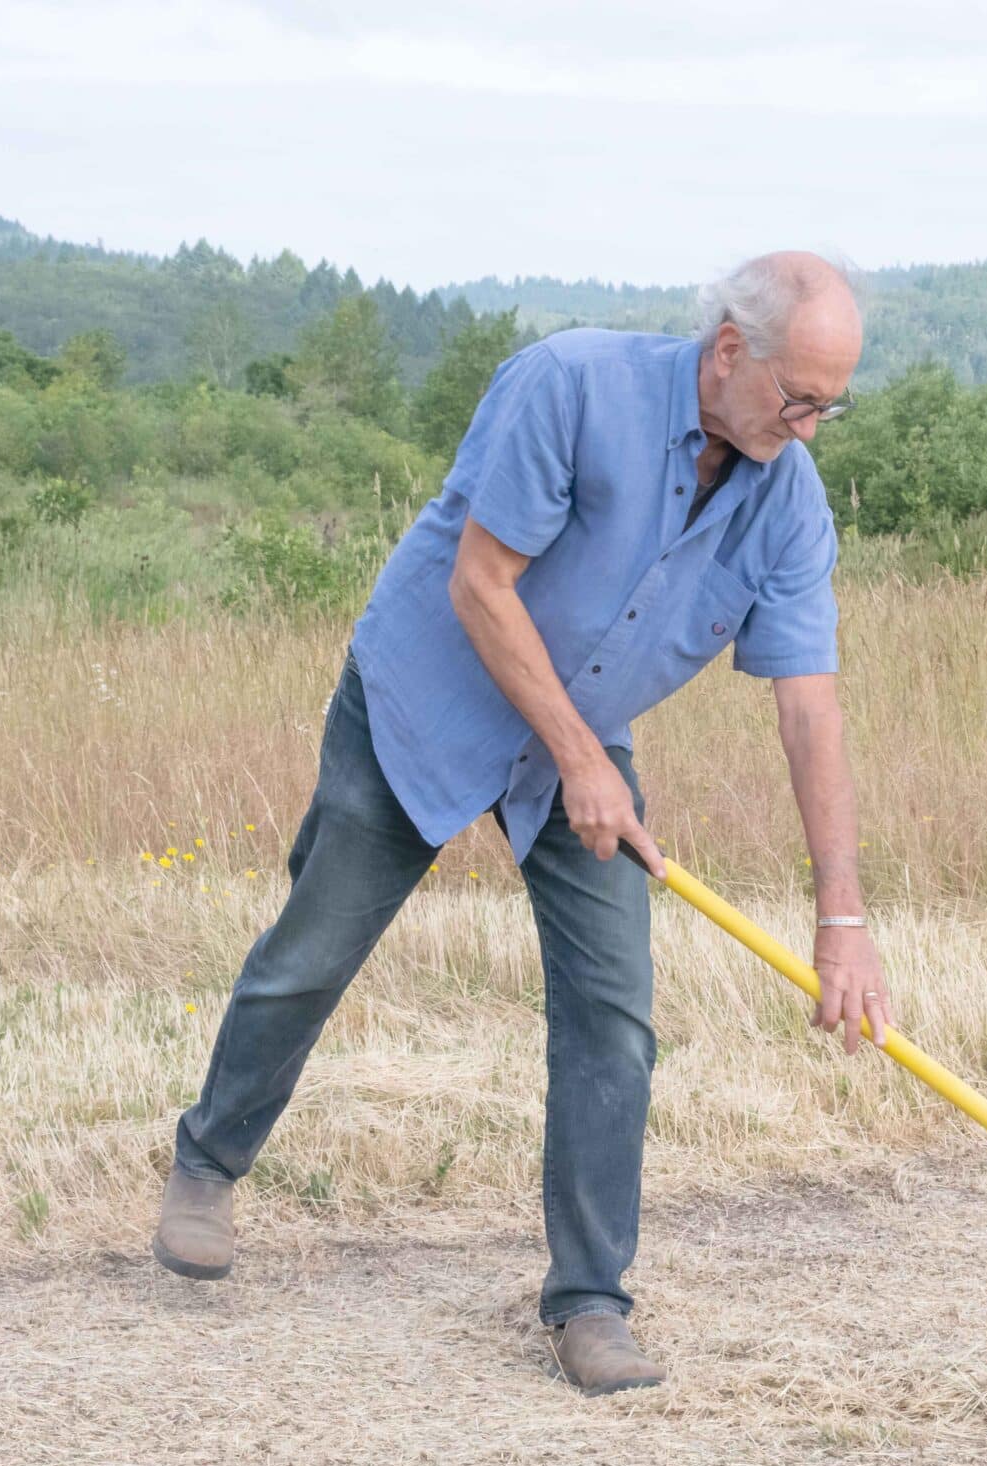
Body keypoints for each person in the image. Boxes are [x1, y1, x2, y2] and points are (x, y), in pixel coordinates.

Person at [152, 251, 893, 1396]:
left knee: (612, 1015)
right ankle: (207, 1161)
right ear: (731, 348)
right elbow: (481, 584)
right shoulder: (570, 386)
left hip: (578, 746)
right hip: (430, 701)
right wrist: (579, 755)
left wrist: (841, 915)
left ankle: (590, 1302)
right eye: (798, 398)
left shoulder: (788, 499)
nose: (807, 429)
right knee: (316, 948)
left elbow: (810, 704)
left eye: (829, 408)